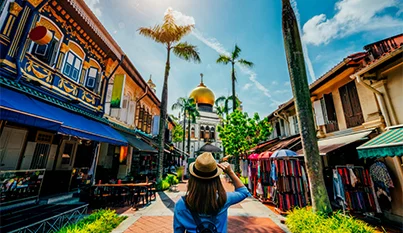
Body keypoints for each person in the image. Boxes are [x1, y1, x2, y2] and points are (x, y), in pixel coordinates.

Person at [173, 152, 250, 233]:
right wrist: (230, 172)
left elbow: (178, 231)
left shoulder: (182, 204)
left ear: (192, 179)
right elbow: (244, 192)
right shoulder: (223, 200)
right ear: (216, 180)